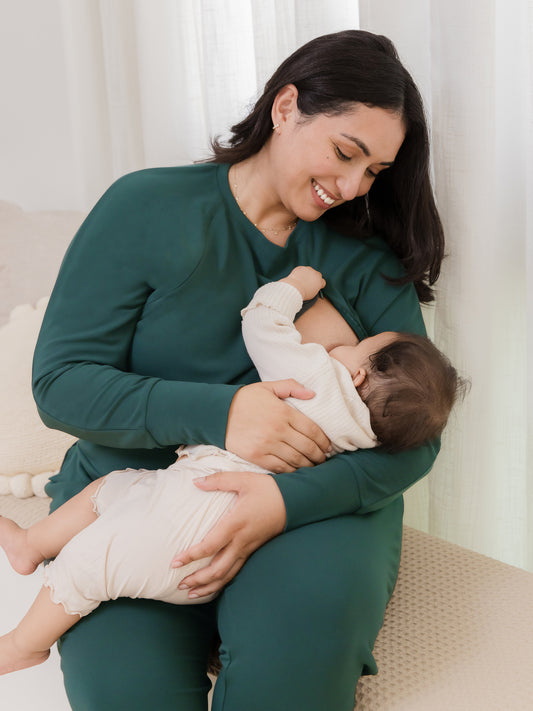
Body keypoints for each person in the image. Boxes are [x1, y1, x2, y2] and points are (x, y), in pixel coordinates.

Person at [28, 29, 447, 711]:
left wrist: (283, 503)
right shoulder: (147, 208)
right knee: (128, 692)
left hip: (314, 511)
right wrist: (223, 413)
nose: (350, 186)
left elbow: (417, 439)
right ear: (285, 106)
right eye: (345, 152)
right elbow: (61, 382)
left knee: (295, 666)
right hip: (137, 494)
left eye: (372, 171)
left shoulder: (364, 259)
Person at [0, 266, 464, 676]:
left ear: (358, 375)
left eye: (357, 345)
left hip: (187, 524)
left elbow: (263, 325)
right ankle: (29, 544)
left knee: (86, 566)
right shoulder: (365, 437)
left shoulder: (321, 379)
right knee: (112, 490)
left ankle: (25, 645)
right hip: (203, 525)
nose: (345, 347)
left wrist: (293, 287)